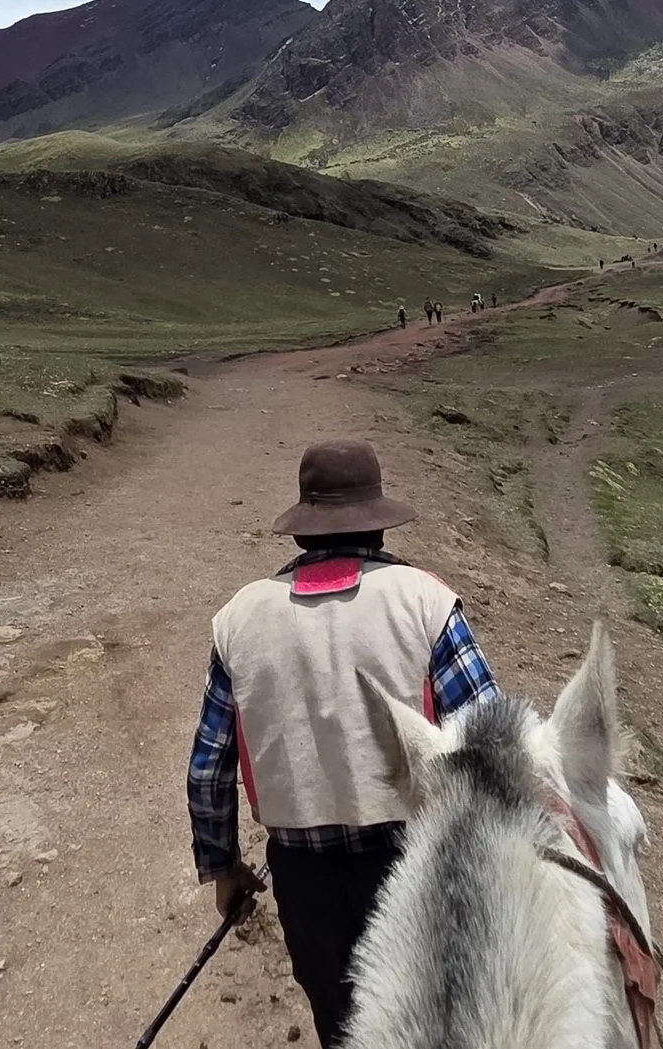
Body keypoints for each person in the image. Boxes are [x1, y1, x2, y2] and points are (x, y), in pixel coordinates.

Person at [186, 439, 499, 1047]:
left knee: (343, 1025)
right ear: (379, 525)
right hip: (417, 866)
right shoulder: (425, 602)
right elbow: (488, 744)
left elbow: (207, 771)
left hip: (304, 878)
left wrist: (223, 867)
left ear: (301, 532)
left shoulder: (240, 619)